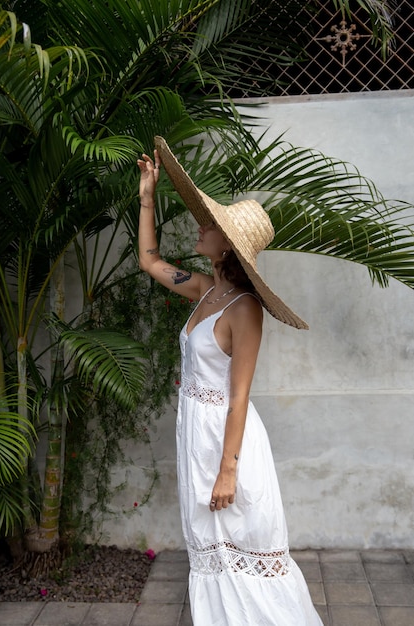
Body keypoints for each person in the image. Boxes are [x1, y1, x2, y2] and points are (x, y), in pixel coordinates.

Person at [137, 136, 323, 626]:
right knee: (211, 557)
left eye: (211, 225)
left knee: (244, 551)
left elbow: (239, 396)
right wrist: (147, 197)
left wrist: (228, 471)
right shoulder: (204, 290)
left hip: (226, 441)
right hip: (195, 436)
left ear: (229, 247)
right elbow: (149, 262)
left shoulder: (245, 309)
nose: (202, 226)